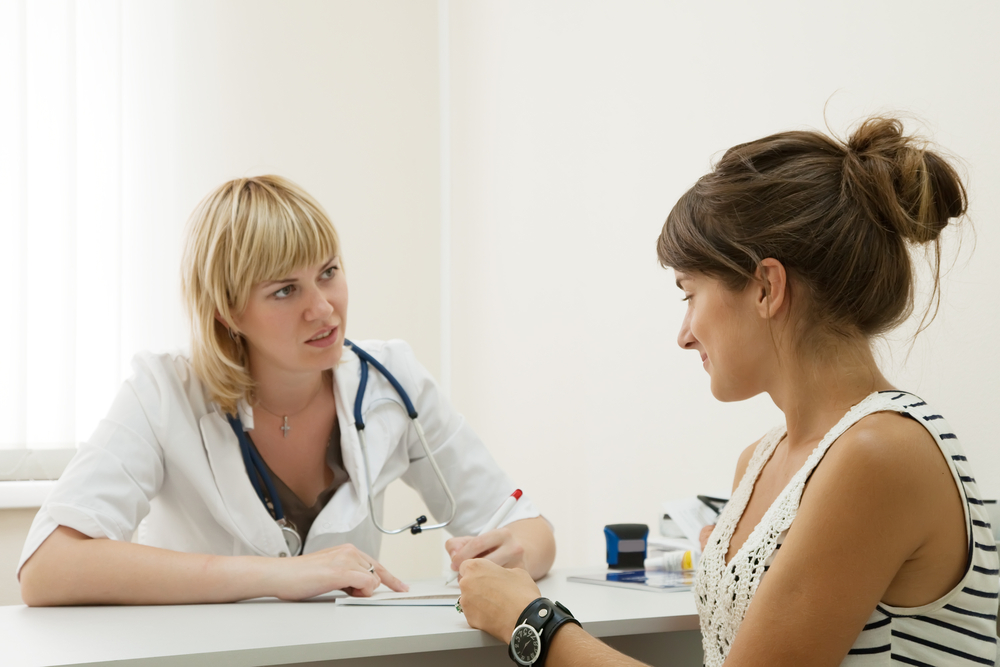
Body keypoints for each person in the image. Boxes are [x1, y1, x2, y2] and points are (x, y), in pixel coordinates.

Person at [457, 117, 999, 666]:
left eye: (689, 294)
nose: (684, 334)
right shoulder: (758, 463)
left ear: (766, 287)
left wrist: (531, 622)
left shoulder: (880, 454)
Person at [18, 175, 555, 606]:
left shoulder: (392, 380)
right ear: (229, 311)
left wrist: (514, 550)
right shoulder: (163, 392)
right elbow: (48, 568)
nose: (322, 308)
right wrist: (279, 576)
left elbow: (531, 530)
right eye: (284, 290)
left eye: (328, 272)